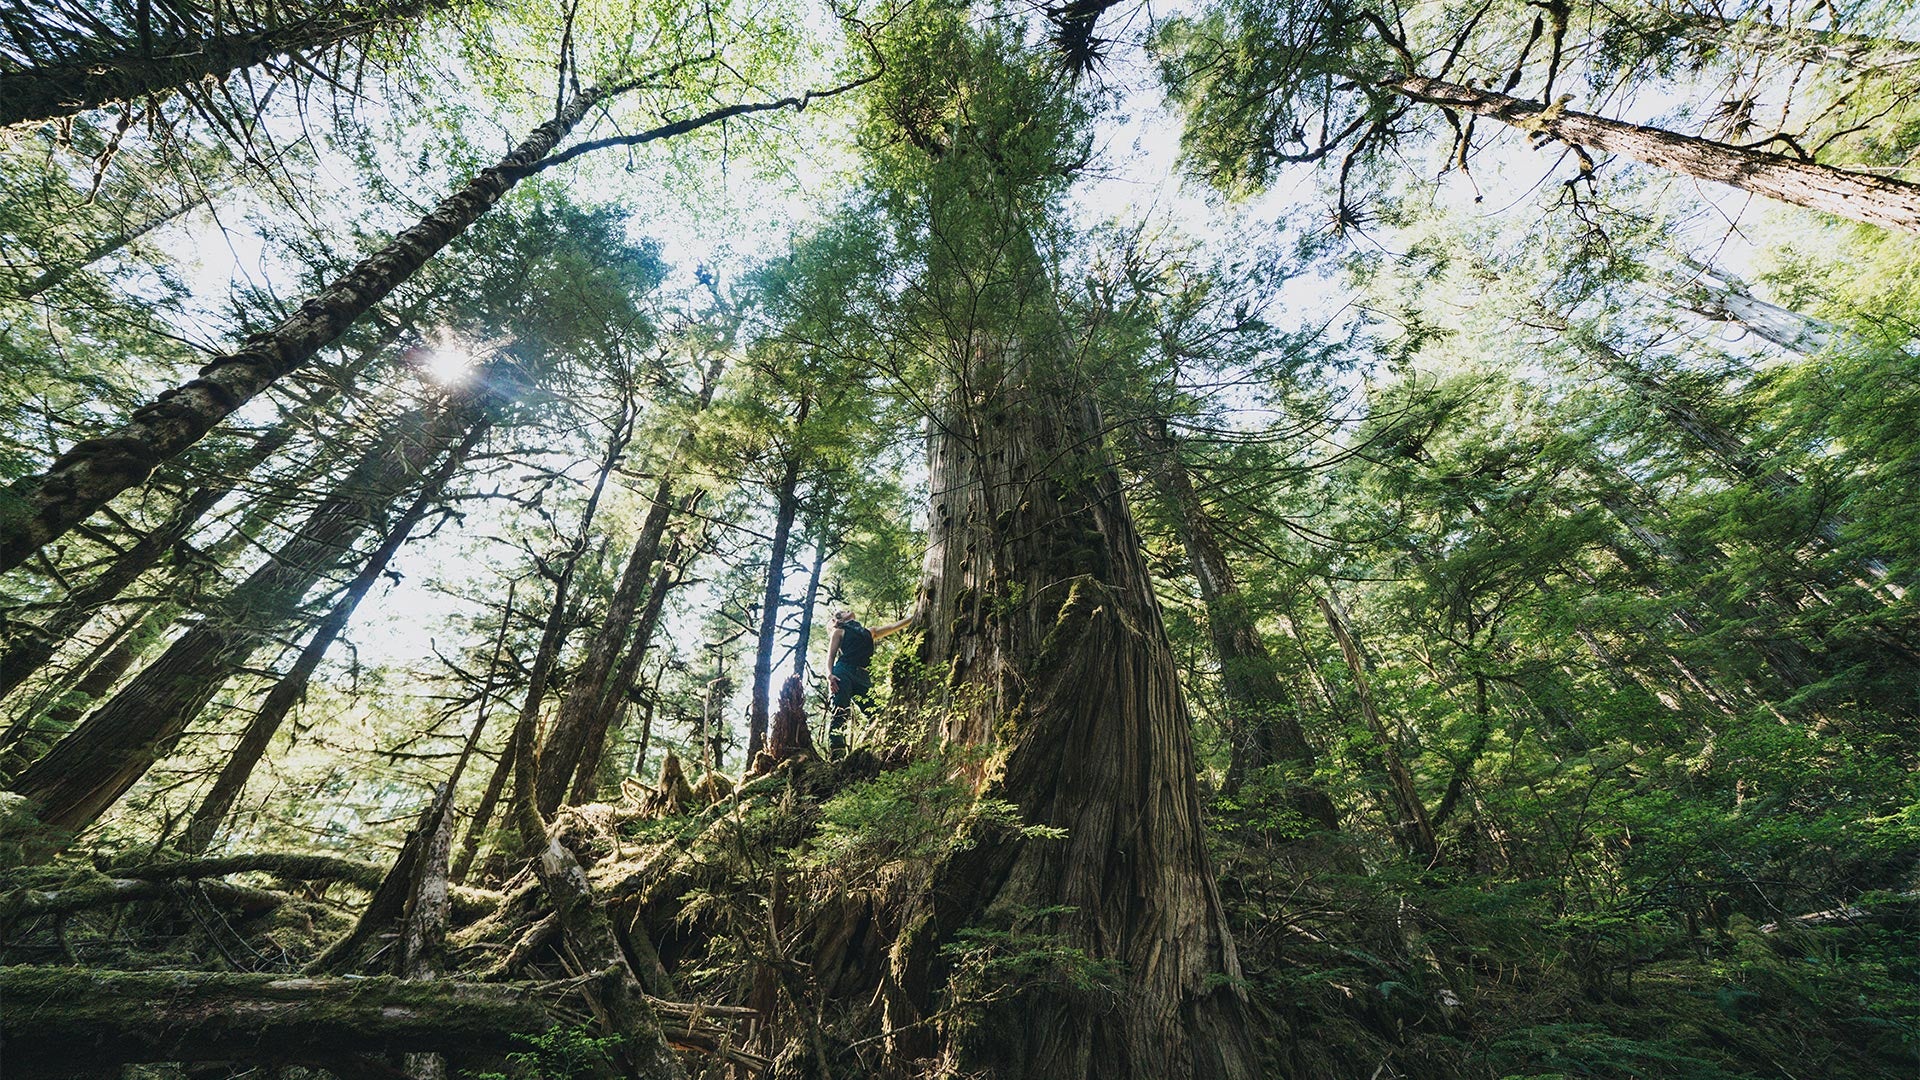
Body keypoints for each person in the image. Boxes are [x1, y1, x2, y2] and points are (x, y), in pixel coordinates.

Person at [826, 608, 910, 754]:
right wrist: (829, 675)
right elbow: (830, 656)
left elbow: (892, 627)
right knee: (841, 710)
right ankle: (837, 753)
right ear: (840, 619)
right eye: (844, 611)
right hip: (843, 672)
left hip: (863, 676)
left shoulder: (869, 632)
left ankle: (870, 745)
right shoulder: (839, 632)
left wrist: (915, 616)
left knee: (876, 712)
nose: (848, 610)